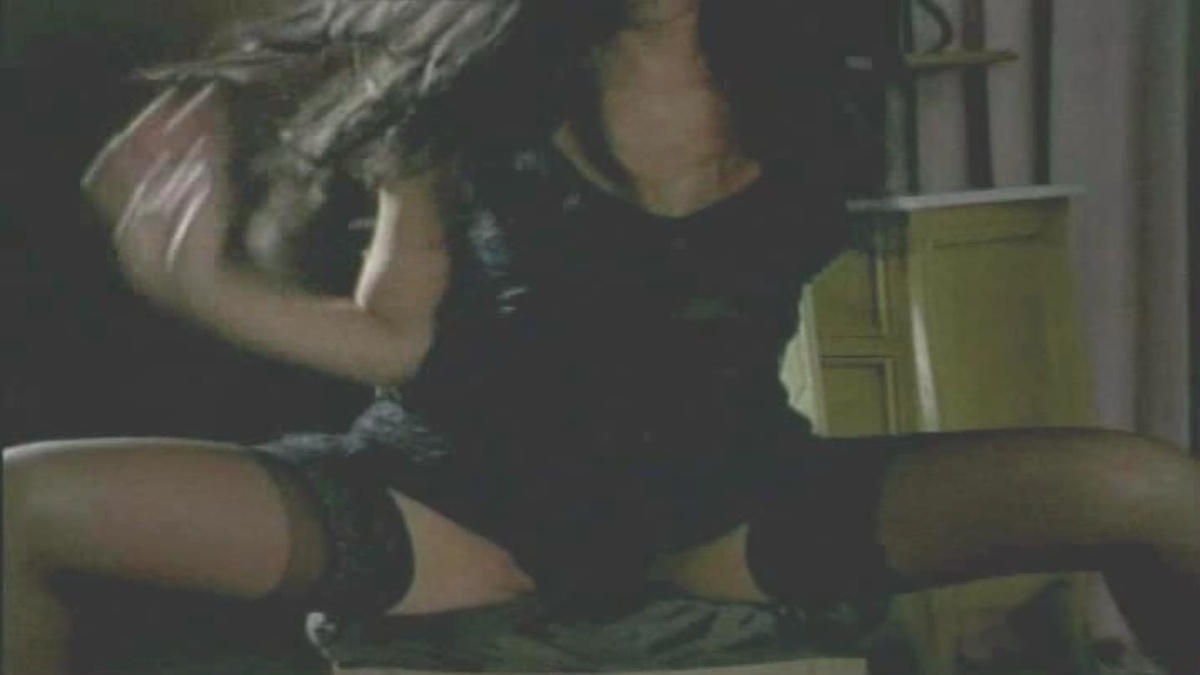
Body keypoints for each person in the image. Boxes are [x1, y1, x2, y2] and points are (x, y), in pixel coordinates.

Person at [5, 1, 1198, 673]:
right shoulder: (465, 97)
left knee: (1149, 487)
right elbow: (396, 337)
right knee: (23, 501)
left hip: (731, 507)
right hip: (456, 507)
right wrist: (197, 288)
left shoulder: (811, 84)